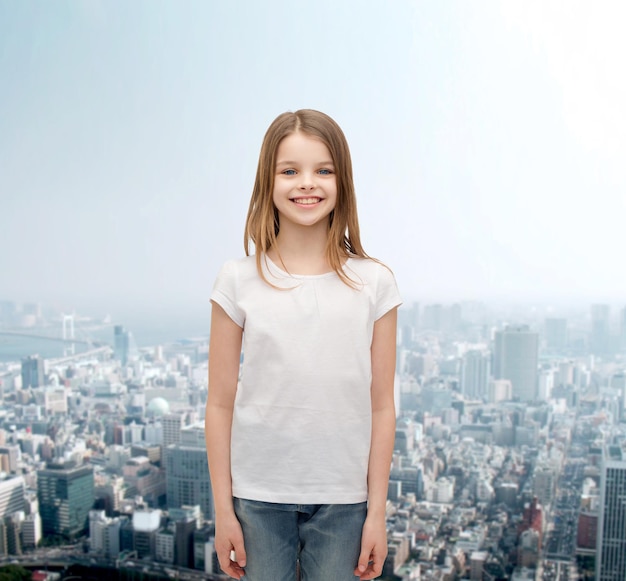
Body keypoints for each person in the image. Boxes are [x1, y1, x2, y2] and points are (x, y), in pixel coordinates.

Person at [205, 109, 402, 581]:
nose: (306, 184)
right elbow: (219, 403)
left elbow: (381, 407)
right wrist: (222, 511)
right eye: (289, 170)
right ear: (267, 182)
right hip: (256, 497)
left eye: (323, 170)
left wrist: (377, 514)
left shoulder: (375, 283)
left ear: (342, 181)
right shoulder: (238, 279)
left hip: (345, 501)